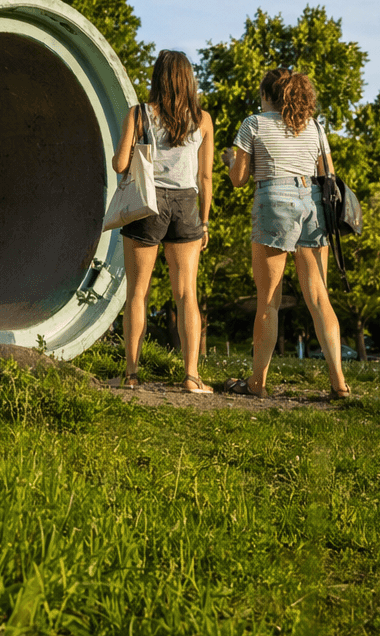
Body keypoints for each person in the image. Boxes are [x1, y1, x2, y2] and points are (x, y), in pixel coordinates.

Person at [220, 68, 352, 399]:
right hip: (311, 205)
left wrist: (228, 161)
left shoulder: (253, 124)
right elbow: (328, 176)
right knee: (320, 298)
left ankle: (258, 384)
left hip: (273, 204)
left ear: (266, 95)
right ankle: (339, 384)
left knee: (269, 301)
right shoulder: (316, 128)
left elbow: (238, 179)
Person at [110, 50, 215, 392]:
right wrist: (205, 222)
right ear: (188, 80)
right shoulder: (202, 119)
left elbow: (120, 165)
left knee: (138, 292)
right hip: (187, 205)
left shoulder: (139, 114)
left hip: (147, 203)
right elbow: (206, 177)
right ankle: (191, 376)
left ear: (158, 78)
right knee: (187, 293)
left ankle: (131, 374)